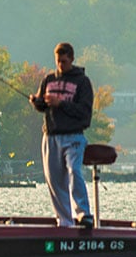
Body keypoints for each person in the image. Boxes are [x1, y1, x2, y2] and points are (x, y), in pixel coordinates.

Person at [30, 42, 94, 228]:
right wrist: (37, 102)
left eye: (64, 62)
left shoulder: (82, 82)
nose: (61, 65)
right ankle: (65, 222)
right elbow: (42, 106)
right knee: (55, 180)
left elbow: (84, 112)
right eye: (58, 62)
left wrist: (61, 104)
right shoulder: (48, 80)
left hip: (74, 136)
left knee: (74, 171)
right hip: (51, 136)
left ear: (72, 59)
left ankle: (84, 213)